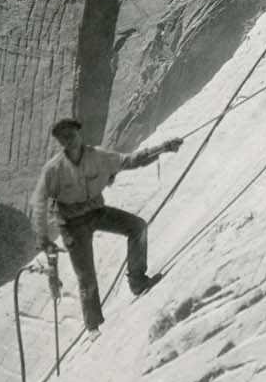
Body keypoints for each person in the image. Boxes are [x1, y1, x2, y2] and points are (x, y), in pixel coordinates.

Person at [32, 117, 183, 334]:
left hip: (96, 212)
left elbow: (131, 160)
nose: (69, 141)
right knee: (87, 277)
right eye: (64, 138)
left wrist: (163, 148)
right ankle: (93, 326)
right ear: (59, 142)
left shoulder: (98, 156)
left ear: (79, 134)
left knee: (137, 227)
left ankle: (138, 281)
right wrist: (43, 240)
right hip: (72, 225)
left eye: (71, 135)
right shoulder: (54, 169)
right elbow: (39, 201)